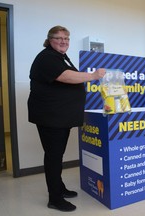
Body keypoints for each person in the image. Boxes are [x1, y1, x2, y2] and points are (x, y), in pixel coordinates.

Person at [27, 25, 105, 212]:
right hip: (50, 116)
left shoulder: (60, 57)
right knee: (53, 156)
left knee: (57, 155)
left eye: (67, 38)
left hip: (59, 116)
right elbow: (66, 77)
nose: (63, 41)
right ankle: (54, 198)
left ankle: (59, 188)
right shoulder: (46, 57)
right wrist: (93, 76)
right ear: (49, 39)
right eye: (59, 38)